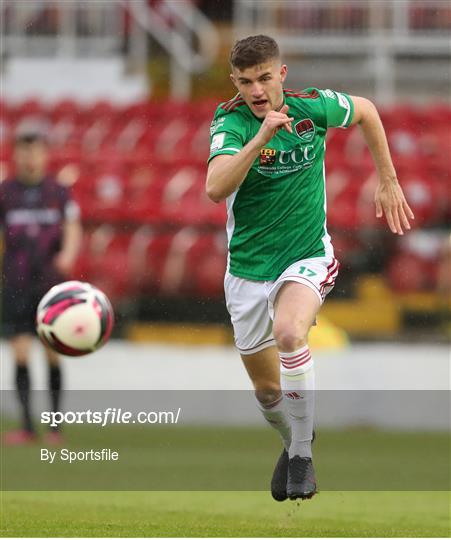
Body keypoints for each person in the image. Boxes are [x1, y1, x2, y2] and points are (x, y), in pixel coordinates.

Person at [206, 35, 414, 501]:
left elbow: (365, 111)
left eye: (264, 78)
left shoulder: (312, 108)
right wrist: (261, 138)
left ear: (281, 74)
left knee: (290, 334)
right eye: (245, 82)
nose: (256, 90)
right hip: (246, 271)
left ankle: (301, 456)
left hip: (305, 257)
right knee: (266, 392)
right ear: (234, 82)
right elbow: (215, 187)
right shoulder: (231, 122)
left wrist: (388, 179)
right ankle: (295, 437)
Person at [1, 120, 82, 445]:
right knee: (20, 353)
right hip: (16, 283)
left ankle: (55, 428)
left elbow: (73, 227)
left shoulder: (58, 193)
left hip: (50, 286)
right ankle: (26, 426)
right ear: (16, 154)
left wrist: (67, 256)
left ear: (45, 154)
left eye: (35, 150)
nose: (29, 157)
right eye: (24, 150)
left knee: (52, 353)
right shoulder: (5, 192)